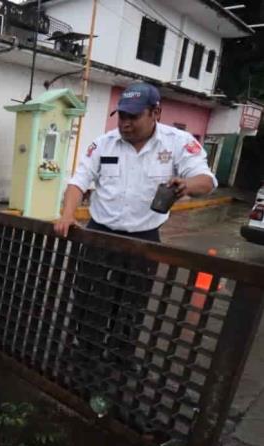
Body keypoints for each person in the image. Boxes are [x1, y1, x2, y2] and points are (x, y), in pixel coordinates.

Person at [52, 82, 216, 378]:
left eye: (133, 117)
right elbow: (79, 181)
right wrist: (66, 215)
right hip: (100, 233)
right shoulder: (104, 144)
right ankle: (85, 352)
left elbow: (206, 180)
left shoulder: (177, 142)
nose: (125, 124)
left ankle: (119, 357)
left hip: (144, 238)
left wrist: (186, 185)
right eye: (121, 116)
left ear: (155, 113)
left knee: (131, 302)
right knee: (89, 297)